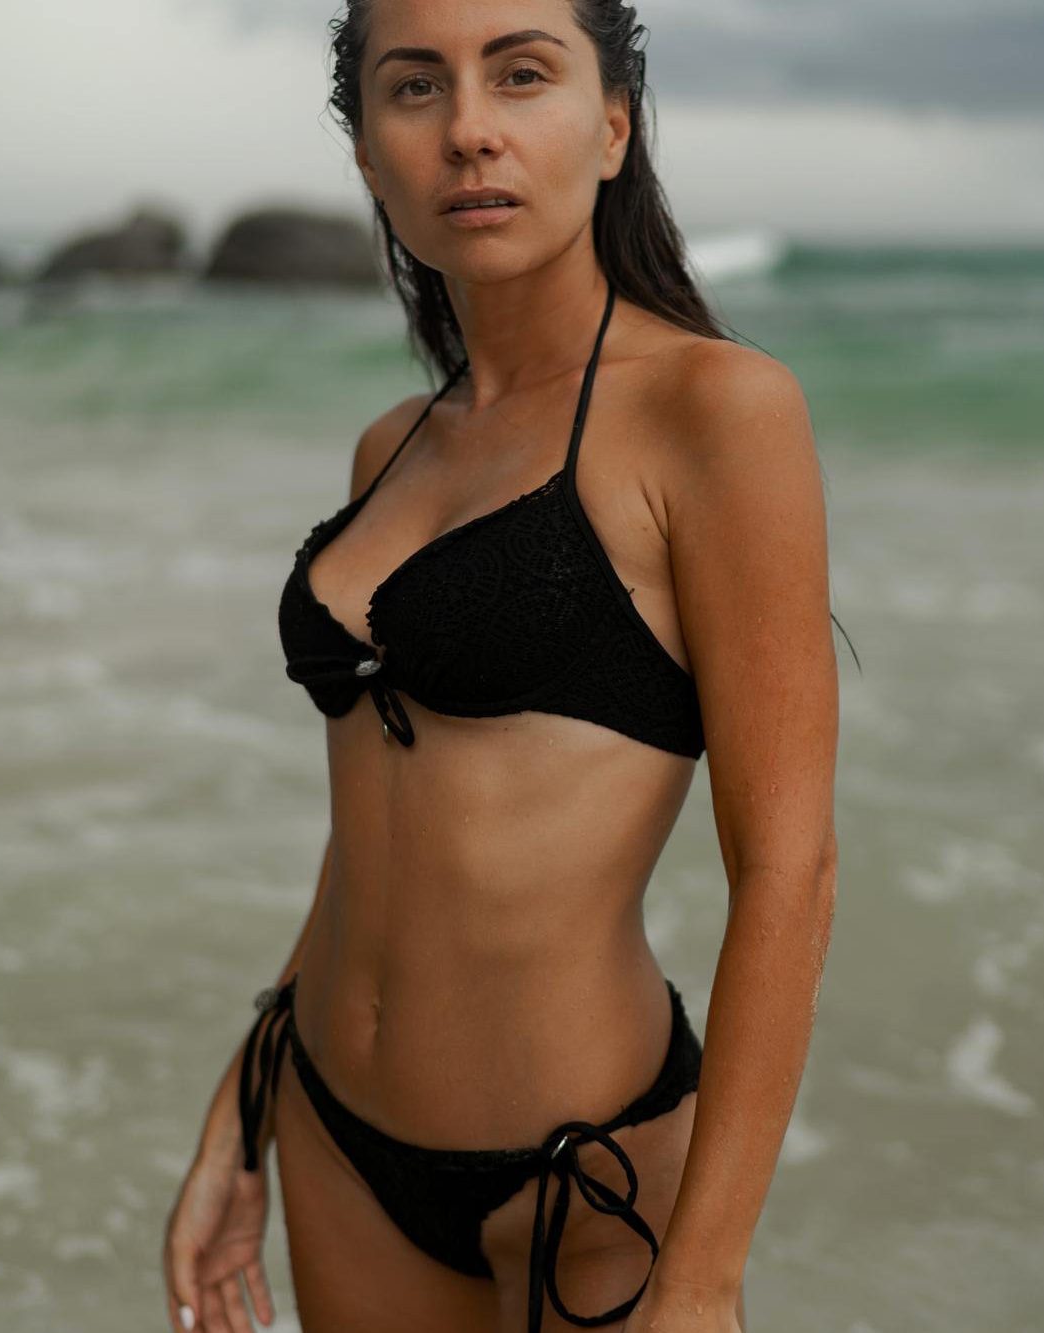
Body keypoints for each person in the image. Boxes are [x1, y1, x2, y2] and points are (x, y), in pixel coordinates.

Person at [163, 1, 842, 1330]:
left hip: (580, 1177)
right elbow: (372, 833)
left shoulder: (715, 412)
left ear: (609, 125)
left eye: (520, 74)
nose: (469, 128)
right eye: (414, 88)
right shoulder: (392, 448)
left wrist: (701, 1280)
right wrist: (236, 1119)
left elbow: (789, 868)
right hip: (335, 1140)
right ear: (367, 152)